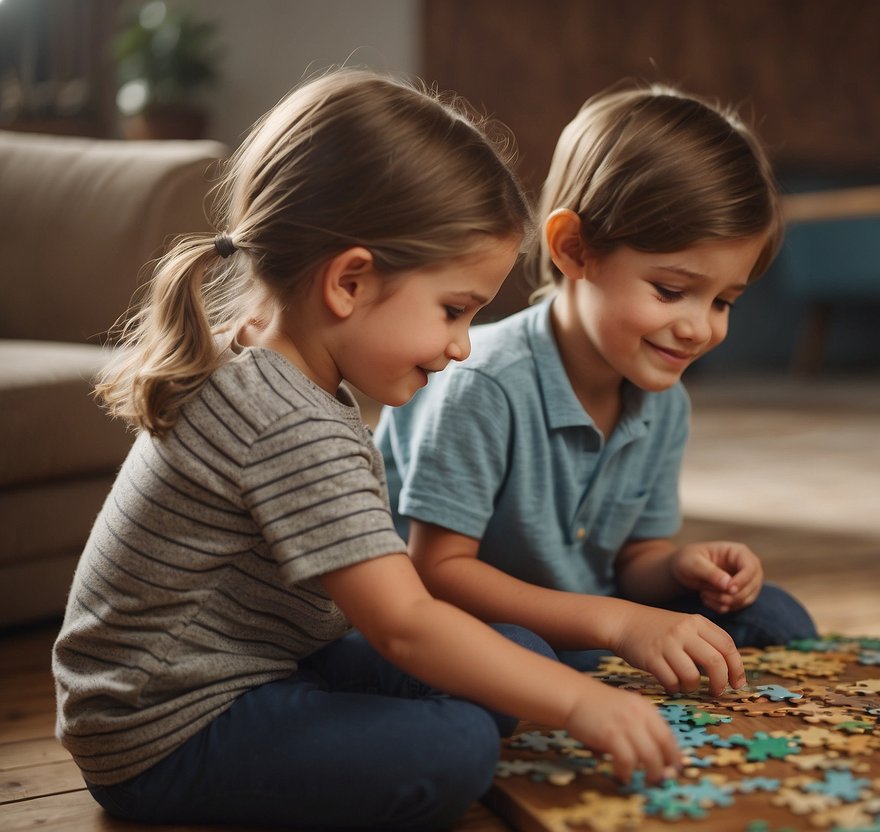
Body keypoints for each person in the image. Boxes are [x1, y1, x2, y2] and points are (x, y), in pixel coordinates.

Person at [51, 70, 688, 832]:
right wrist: (584, 702)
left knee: (515, 654)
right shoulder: (284, 419)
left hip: (266, 663)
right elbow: (405, 625)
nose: (459, 347)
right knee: (456, 747)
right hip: (165, 733)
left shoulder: (267, 361)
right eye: (453, 310)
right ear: (349, 281)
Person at [375, 82, 818, 694]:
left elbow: (635, 563)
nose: (698, 327)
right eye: (670, 290)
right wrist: (618, 623)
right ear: (574, 249)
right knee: (520, 651)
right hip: (460, 621)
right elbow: (438, 573)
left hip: (594, 625)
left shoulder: (665, 401)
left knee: (776, 616)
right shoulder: (482, 382)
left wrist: (679, 568)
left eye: (723, 301)